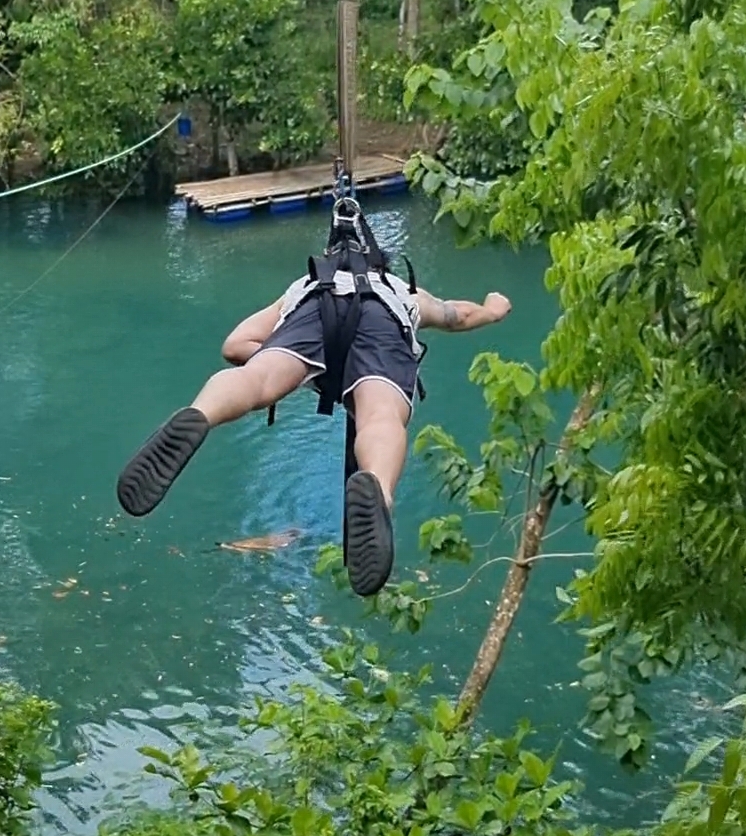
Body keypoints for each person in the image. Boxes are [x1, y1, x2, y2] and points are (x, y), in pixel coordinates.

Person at [117, 211, 511, 598]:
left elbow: (234, 346)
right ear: (381, 262)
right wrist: (492, 309)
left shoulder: (303, 286)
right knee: (380, 415)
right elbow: (456, 315)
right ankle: (378, 489)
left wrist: (308, 373)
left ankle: (202, 413)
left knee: (256, 380)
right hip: (383, 320)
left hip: (313, 312)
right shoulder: (403, 292)